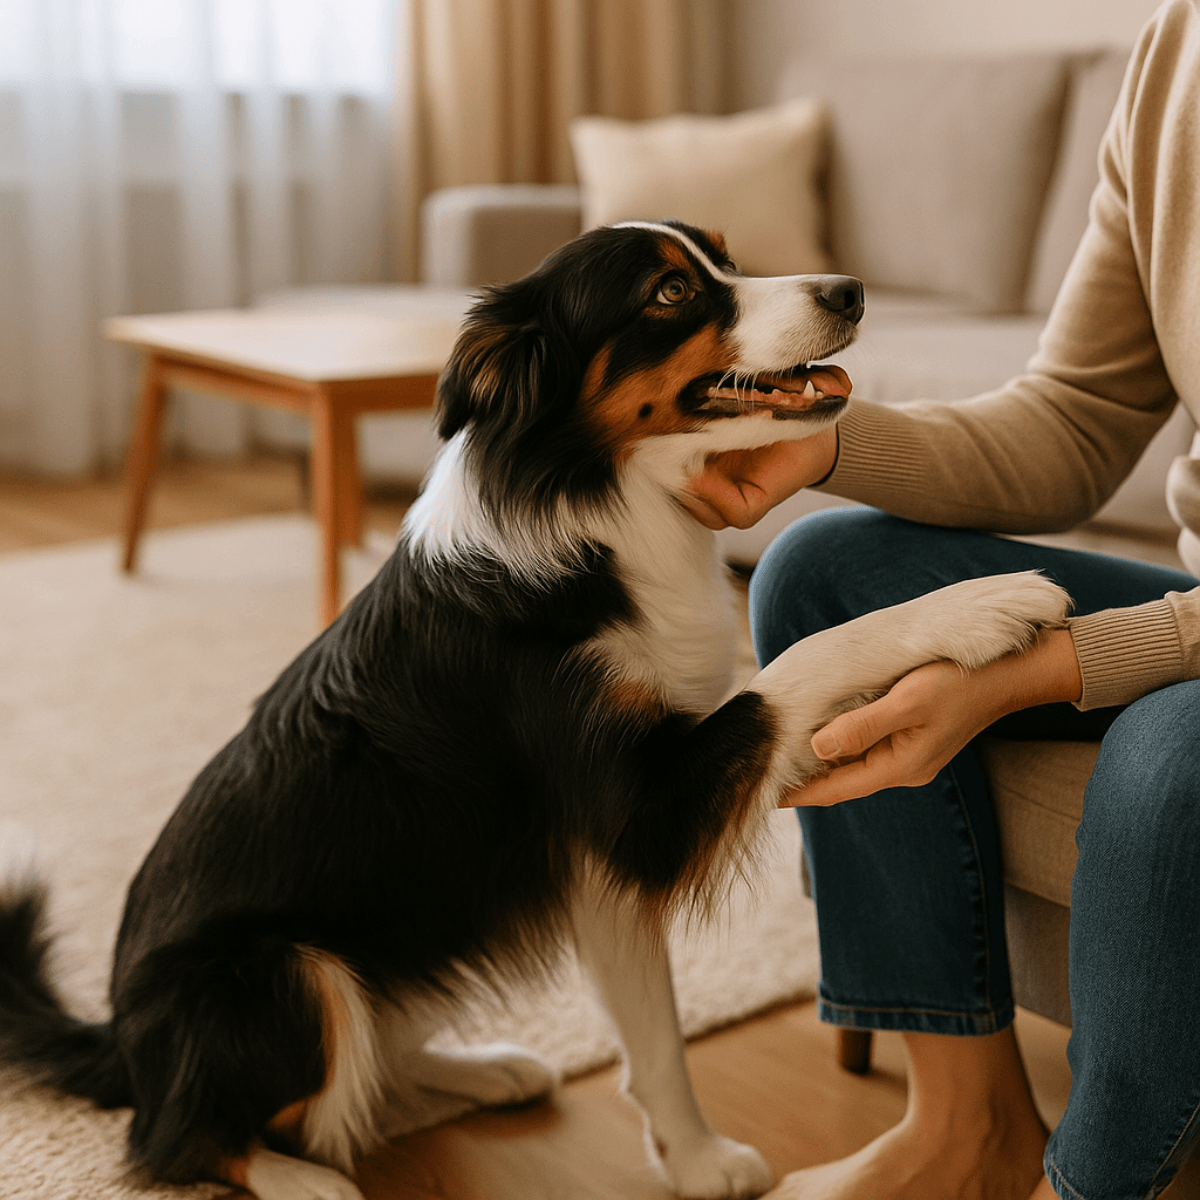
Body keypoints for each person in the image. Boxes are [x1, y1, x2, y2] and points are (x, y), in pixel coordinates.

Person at [684, 3, 1200, 1198]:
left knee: (1172, 760)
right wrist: (819, 439)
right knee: (824, 578)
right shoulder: (1177, 54)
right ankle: (965, 1131)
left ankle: (1098, 1183)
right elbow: (1074, 417)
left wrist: (1043, 665)